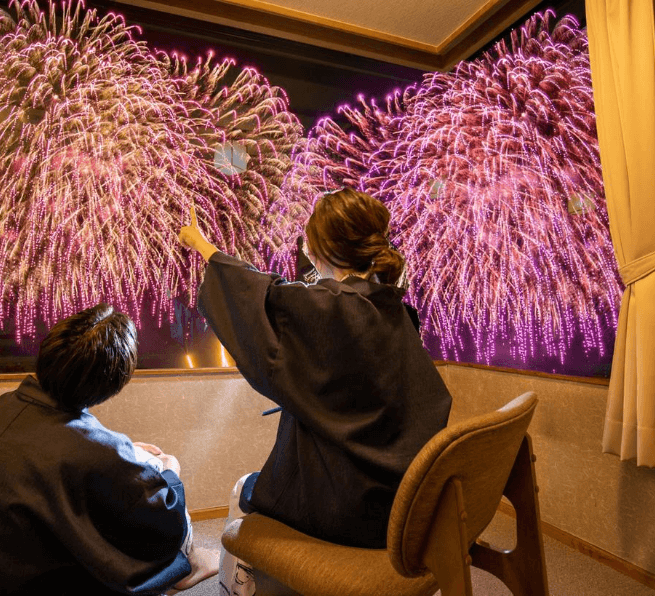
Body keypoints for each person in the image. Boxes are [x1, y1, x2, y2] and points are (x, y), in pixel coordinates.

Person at [178, 187, 452, 596]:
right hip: (404, 502)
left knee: (244, 491)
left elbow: (258, 298)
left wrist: (201, 245)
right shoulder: (395, 310)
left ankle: (249, 588)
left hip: (350, 511)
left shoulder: (329, 307)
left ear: (322, 248)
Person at [0, 304, 218, 596]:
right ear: (113, 381)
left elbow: (57, 457)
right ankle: (192, 563)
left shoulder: (4, 406)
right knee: (137, 540)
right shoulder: (91, 449)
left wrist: (120, 453)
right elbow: (162, 523)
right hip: (2, 586)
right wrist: (168, 470)